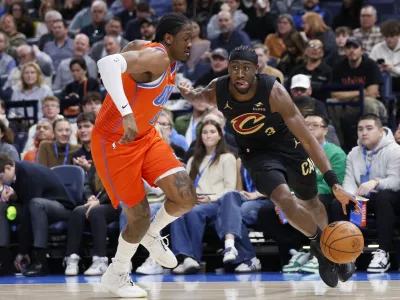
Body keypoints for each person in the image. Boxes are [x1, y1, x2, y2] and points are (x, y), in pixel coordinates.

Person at [178, 45, 361, 288]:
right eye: (235, 68)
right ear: (228, 70)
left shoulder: (274, 91)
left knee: (312, 201)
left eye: (246, 68)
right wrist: (187, 93)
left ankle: (330, 247)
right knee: (284, 198)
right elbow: (198, 97)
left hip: (288, 146)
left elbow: (307, 138)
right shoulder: (218, 88)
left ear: (257, 70)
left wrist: (333, 182)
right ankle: (322, 248)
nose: (240, 74)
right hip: (256, 154)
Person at [92, 13, 196, 298]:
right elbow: (107, 63)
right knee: (138, 216)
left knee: (186, 196)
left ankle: (154, 233)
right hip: (115, 142)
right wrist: (125, 114)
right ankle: (116, 272)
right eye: (186, 39)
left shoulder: (167, 61)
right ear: (168, 39)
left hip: (147, 137)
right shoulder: (157, 57)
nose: (191, 45)